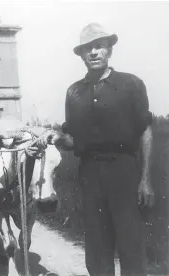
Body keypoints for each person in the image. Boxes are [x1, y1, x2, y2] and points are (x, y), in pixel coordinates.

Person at [53, 23, 155, 276]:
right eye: (87, 48)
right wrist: (55, 139)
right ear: (81, 55)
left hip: (124, 171)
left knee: (131, 244)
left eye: (99, 46)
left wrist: (145, 180)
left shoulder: (131, 84)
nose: (94, 53)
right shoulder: (74, 92)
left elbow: (145, 130)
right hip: (89, 173)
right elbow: (75, 140)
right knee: (97, 248)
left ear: (109, 49)